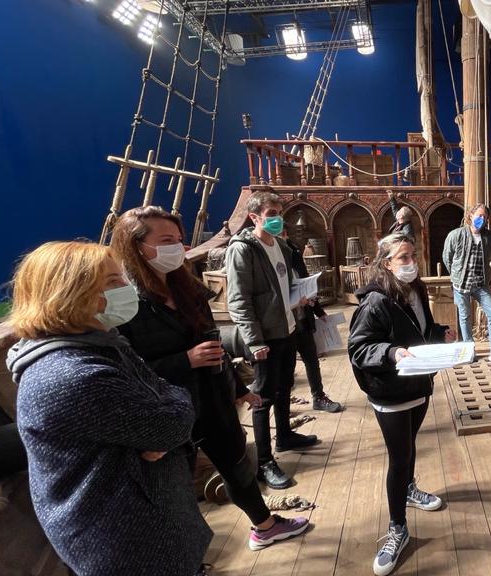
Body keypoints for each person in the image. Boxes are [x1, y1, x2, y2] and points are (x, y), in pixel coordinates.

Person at [6, 241, 212, 575]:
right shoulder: (75, 375)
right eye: (113, 281)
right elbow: (173, 423)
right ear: (70, 294)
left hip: (147, 526)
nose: (126, 288)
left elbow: (161, 395)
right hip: (130, 546)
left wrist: (161, 415)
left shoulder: (101, 345)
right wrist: (165, 418)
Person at [112, 207, 311, 551]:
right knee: (176, 485)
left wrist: (238, 387)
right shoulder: (125, 303)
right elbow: (124, 370)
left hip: (213, 397)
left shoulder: (186, 287)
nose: (177, 247)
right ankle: (186, 555)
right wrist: (184, 360)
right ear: (136, 245)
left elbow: (213, 342)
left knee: (237, 467)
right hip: (168, 409)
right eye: (166, 240)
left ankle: (264, 527)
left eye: (179, 240)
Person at [348, 233, 453, 576]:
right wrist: (391, 352)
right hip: (390, 390)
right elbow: (360, 348)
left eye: (413, 255)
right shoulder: (375, 301)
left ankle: (409, 489)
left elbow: (420, 330)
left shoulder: (416, 288)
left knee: (409, 444)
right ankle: (398, 528)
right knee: (400, 456)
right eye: (403, 258)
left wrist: (439, 333)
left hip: (418, 383)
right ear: (386, 263)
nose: (411, 263)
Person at [226, 191, 319, 490]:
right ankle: (264, 461)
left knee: (284, 388)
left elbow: (282, 286)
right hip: (265, 337)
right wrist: (254, 342)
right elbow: (239, 300)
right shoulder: (243, 250)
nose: (278, 219)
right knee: (263, 398)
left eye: (280, 213)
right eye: (272, 214)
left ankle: (285, 436)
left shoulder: (280, 245)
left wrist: (300, 297)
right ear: (254, 217)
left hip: (287, 329)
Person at [442, 203, 491, 363]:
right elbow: (447, 257)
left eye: (485, 217)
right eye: (479, 215)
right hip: (461, 285)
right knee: (465, 317)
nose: (482, 219)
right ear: (471, 215)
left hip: (480, 285)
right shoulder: (456, 235)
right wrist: (456, 275)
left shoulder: (488, 236)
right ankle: (469, 352)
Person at [281, 228, 343, 413]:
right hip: (284, 322)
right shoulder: (268, 258)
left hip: (303, 318)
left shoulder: (294, 251)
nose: (282, 236)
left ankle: (319, 397)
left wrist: (319, 311)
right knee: (287, 366)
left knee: (312, 359)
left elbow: (305, 283)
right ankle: (283, 406)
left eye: (284, 233)